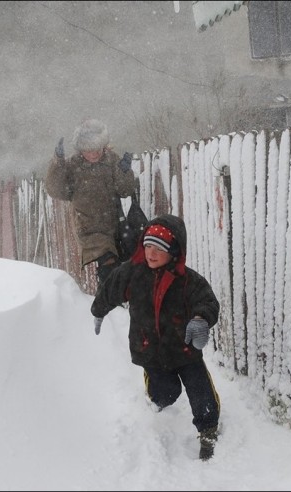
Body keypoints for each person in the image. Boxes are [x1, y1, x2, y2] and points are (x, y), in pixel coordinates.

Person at [90, 214, 221, 461]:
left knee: (200, 390)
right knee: (165, 394)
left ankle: (208, 430)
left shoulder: (188, 281)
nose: (150, 253)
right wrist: (98, 311)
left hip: (185, 349)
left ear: (174, 252)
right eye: (147, 246)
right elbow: (110, 289)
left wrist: (201, 319)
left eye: (158, 249)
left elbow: (207, 301)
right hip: (149, 349)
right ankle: (157, 394)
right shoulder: (131, 273)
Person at [45, 119, 135, 285]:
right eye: (88, 150)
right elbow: (56, 190)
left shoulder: (111, 160)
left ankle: (108, 298)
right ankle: (109, 304)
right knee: (108, 263)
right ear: (80, 149)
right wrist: (58, 162)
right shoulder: (73, 166)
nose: (93, 154)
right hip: (89, 228)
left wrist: (124, 172)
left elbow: (125, 190)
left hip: (114, 225)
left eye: (96, 149)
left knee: (117, 267)